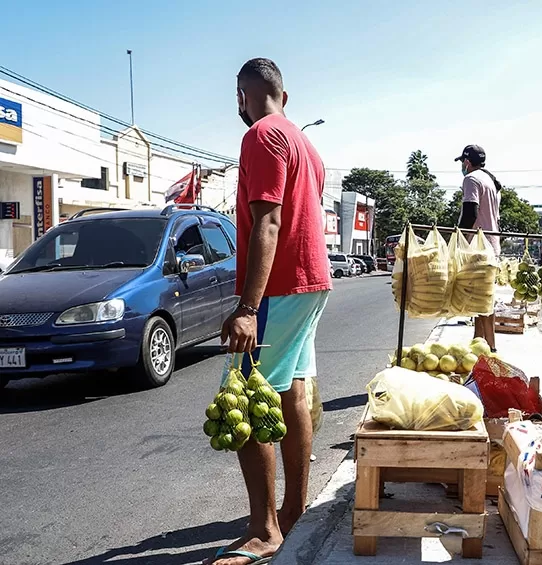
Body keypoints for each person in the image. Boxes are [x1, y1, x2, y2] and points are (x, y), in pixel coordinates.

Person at [209, 58, 331, 565]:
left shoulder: (260, 137)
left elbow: (269, 222)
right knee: (291, 393)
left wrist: (246, 307)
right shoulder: (305, 143)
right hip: (312, 282)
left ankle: (265, 529)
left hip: (278, 288)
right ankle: (294, 511)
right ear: (285, 95)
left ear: (243, 95)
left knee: (243, 395)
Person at [456, 144, 502, 351]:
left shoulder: (471, 179)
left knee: (483, 302)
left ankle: (491, 348)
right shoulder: (490, 181)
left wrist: (458, 239)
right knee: (481, 300)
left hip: (478, 248)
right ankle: (479, 344)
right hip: (491, 246)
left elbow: (470, 214)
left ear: (467, 162)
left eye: (463, 163)